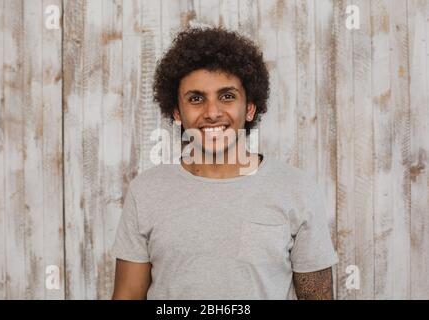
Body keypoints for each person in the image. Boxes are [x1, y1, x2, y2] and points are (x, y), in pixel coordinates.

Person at [111, 27, 338, 300]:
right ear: (177, 112)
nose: (212, 112)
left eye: (227, 96)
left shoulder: (296, 189)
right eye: (196, 99)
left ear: (250, 108)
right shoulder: (146, 191)